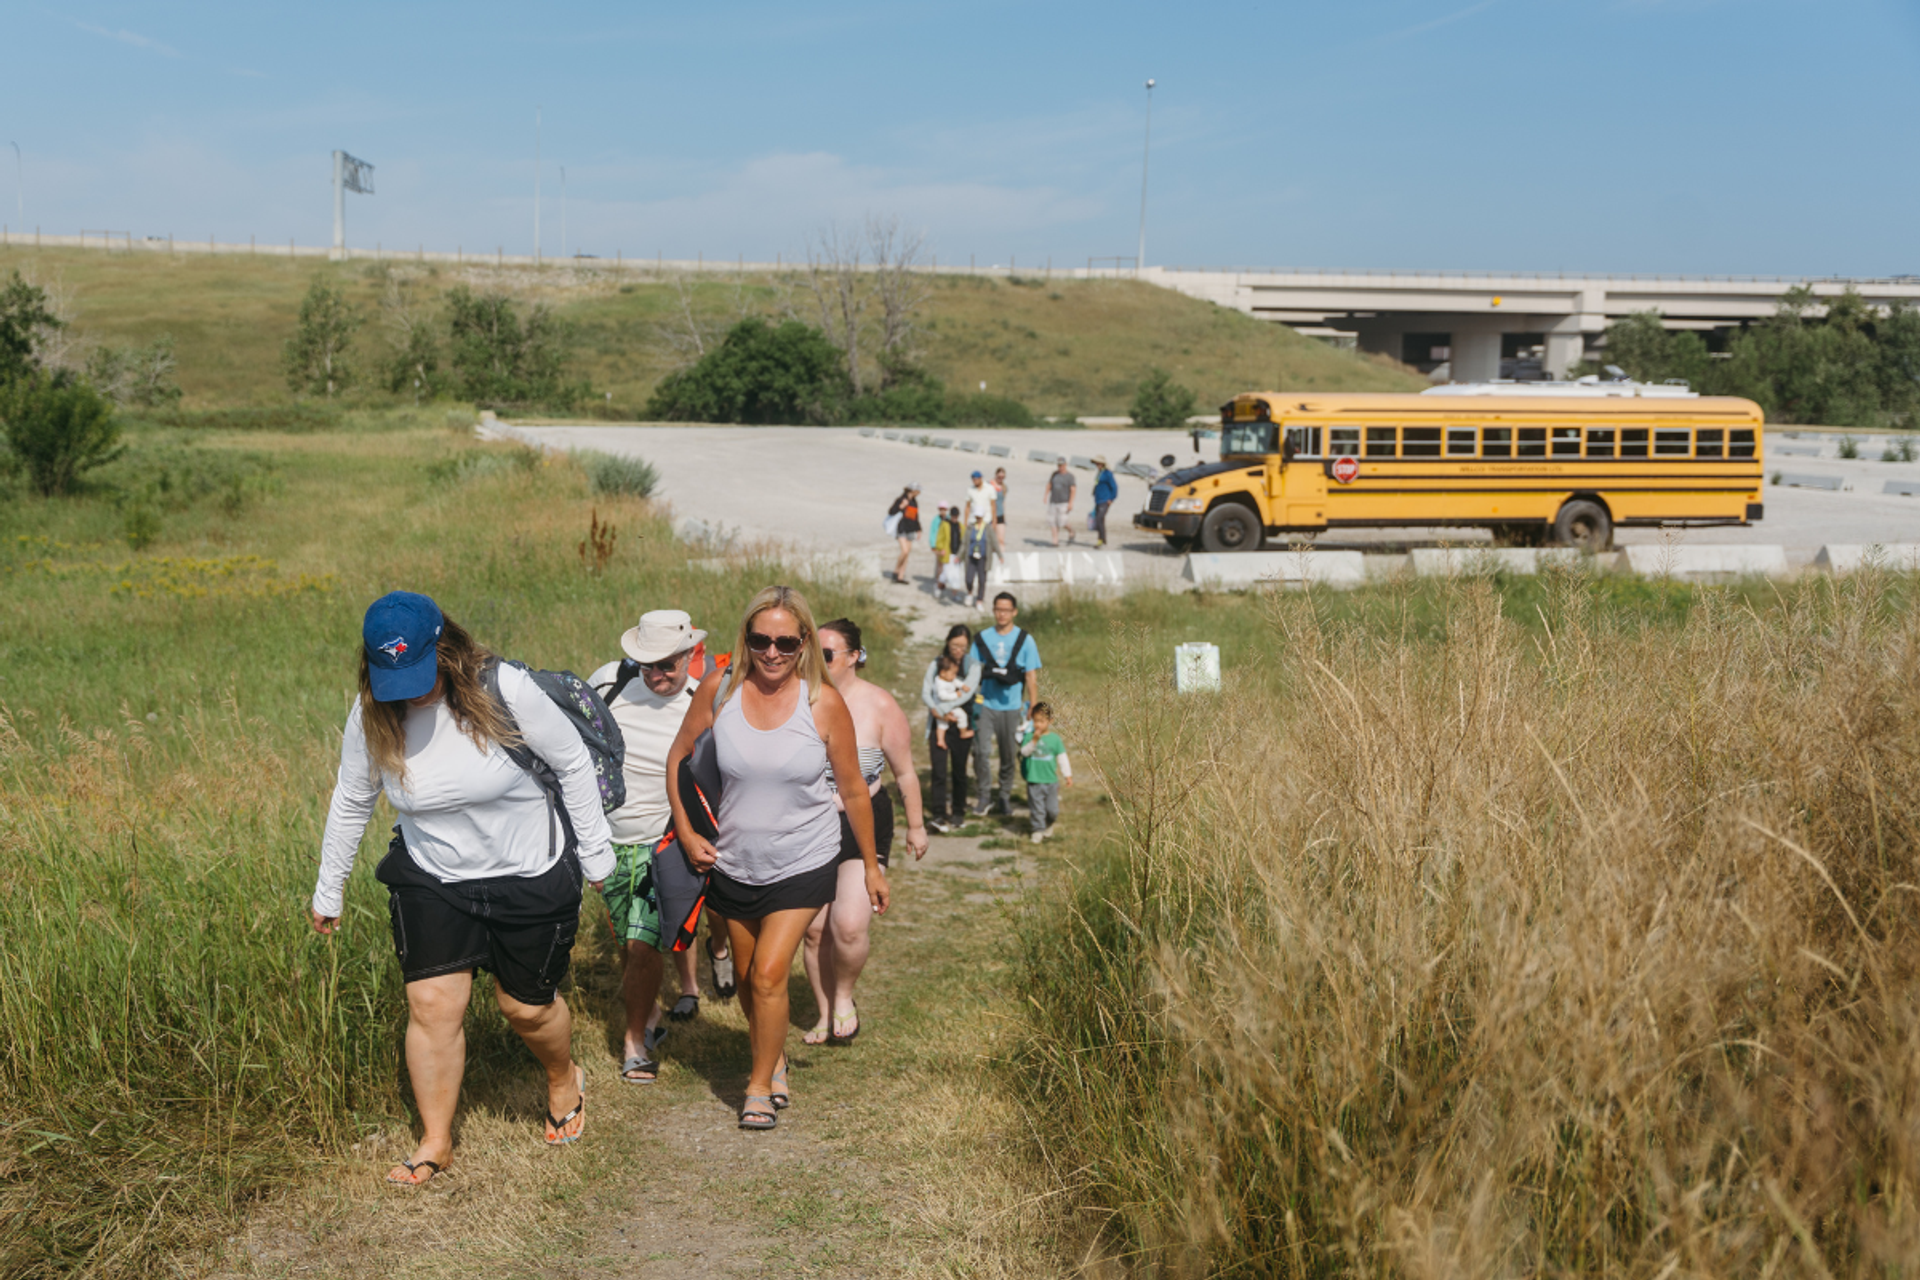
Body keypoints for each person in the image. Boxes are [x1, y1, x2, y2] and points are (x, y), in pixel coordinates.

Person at [311, 591, 614, 1186]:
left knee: (524, 1007)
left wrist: (597, 854)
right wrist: (330, 888)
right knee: (431, 1006)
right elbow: (353, 796)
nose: (410, 690)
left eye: (419, 674)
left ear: (445, 649)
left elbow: (575, 764)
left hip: (528, 869)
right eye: (393, 677)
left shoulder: (506, 690)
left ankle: (561, 1077)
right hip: (434, 874)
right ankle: (435, 1141)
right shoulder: (374, 711)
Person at [663, 586, 884, 1131]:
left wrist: (872, 866)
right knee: (744, 979)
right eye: (760, 639)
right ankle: (774, 1054)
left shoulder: (822, 703)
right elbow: (677, 757)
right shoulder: (720, 689)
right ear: (746, 639)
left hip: (804, 859)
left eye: (786, 641)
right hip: (733, 861)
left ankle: (758, 1086)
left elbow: (855, 790)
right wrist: (688, 833)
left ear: (804, 641)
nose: (772, 652)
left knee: (766, 974)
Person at [588, 609, 737, 1086]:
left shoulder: (705, 699)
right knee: (630, 951)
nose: (657, 675)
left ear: (691, 655)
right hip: (607, 841)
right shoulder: (608, 685)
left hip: (665, 840)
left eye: (668, 665)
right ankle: (648, 1014)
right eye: (647, 665)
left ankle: (634, 1045)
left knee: (643, 942)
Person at [801, 619, 928, 1045]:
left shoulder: (879, 704)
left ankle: (843, 997)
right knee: (815, 929)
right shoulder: (797, 698)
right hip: (808, 823)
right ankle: (822, 1010)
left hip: (863, 819)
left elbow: (905, 772)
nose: (817, 660)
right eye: (811, 650)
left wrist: (917, 825)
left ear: (855, 657)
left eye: (828, 653)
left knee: (850, 925)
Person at [971, 592, 1042, 818]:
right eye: (998, 609)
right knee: (981, 751)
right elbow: (972, 673)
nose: (1002, 614)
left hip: (1012, 706)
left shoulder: (1025, 640)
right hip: (986, 703)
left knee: (1008, 754)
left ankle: (1003, 796)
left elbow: (1031, 676)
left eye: (1006, 610)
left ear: (1014, 612)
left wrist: (1033, 703)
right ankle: (984, 795)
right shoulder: (982, 638)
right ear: (993, 611)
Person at [921, 623, 980, 832]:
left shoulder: (973, 666)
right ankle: (938, 813)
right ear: (947, 642)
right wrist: (936, 711)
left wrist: (941, 708)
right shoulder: (936, 664)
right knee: (938, 770)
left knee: (959, 770)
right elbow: (926, 691)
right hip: (939, 724)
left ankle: (958, 811)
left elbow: (967, 693)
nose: (958, 651)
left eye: (963, 647)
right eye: (955, 645)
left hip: (960, 724)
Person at [1019, 701, 1073, 843]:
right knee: (1037, 808)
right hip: (1034, 780)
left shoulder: (1055, 739)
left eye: (1042, 721)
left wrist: (1067, 775)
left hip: (1051, 781)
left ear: (1050, 721)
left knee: (1052, 810)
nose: (1038, 725)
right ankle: (1037, 829)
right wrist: (1034, 741)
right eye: (1036, 721)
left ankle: (1049, 824)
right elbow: (1024, 752)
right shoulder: (1029, 737)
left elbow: (1062, 757)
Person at [929, 650, 972, 752]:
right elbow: (943, 696)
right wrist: (955, 695)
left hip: (943, 707)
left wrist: (962, 686)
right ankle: (963, 732)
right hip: (943, 706)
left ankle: (940, 740)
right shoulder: (940, 684)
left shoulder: (948, 679)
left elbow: (956, 682)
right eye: (953, 674)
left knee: (942, 724)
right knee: (961, 715)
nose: (954, 676)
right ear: (943, 673)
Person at [887, 484, 922, 585]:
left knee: (907, 554)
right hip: (901, 528)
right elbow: (891, 511)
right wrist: (901, 506)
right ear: (913, 490)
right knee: (905, 551)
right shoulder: (901, 499)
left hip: (911, 529)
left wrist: (918, 530)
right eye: (918, 491)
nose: (919, 493)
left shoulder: (914, 502)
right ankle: (895, 571)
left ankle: (900, 577)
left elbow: (916, 517)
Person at [1045, 458, 1077, 547]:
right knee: (1053, 522)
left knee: (1062, 522)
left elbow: (1073, 489)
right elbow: (1049, 485)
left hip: (1064, 502)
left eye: (1062, 465)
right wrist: (1045, 496)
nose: (1060, 467)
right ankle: (1055, 541)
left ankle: (1071, 531)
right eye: (1059, 465)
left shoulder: (1070, 476)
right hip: (1053, 501)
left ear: (1065, 465)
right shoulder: (1054, 474)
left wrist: (1071, 502)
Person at [964, 513, 992, 607]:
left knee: (982, 579)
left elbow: (994, 540)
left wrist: (1000, 555)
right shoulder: (971, 527)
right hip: (971, 556)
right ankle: (970, 592)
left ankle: (980, 599)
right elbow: (964, 542)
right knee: (968, 578)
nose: (978, 518)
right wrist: (959, 555)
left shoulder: (987, 528)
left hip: (983, 557)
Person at [1091, 456, 1118, 548]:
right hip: (1098, 499)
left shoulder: (1108, 473)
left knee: (1098, 519)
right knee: (1100, 520)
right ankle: (1103, 539)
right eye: (1096, 464)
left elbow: (1114, 487)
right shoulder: (1099, 473)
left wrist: (1112, 498)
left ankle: (1100, 540)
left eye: (1098, 463)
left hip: (1105, 500)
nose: (1097, 465)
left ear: (1102, 464)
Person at [991, 467, 1010, 563]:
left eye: (1002, 477)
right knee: (991, 539)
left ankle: (1002, 558)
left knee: (1001, 540)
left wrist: (1004, 516)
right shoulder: (990, 485)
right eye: (999, 476)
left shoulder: (1004, 487)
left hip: (1000, 515)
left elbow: (1003, 502)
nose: (1001, 478)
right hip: (990, 515)